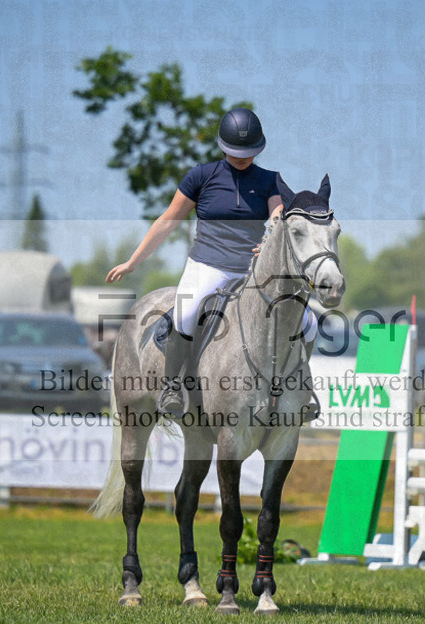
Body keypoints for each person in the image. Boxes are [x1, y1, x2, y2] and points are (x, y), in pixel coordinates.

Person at [107, 107, 317, 417]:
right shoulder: (201, 177)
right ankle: (171, 388)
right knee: (187, 312)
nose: (242, 157)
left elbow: (277, 214)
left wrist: (270, 237)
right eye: (235, 152)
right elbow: (167, 221)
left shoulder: (270, 180)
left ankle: (300, 386)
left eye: (248, 152)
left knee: (308, 322)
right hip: (208, 265)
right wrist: (133, 262)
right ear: (222, 146)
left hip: (252, 272)